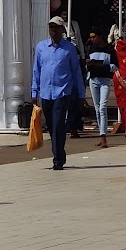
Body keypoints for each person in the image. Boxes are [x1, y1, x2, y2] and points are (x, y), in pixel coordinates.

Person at [31, 16, 84, 170]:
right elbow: (37, 71)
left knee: (59, 124)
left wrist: (81, 94)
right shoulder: (41, 47)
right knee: (51, 125)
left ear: (62, 30)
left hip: (62, 92)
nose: (53, 31)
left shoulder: (69, 49)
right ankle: (59, 152)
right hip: (46, 93)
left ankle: (57, 158)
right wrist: (34, 92)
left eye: (56, 28)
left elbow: (76, 73)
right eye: (51, 27)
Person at [84, 30, 116, 145]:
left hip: (105, 80)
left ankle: (104, 136)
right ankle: (101, 133)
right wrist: (89, 64)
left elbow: (115, 66)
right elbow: (86, 65)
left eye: (94, 36)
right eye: (90, 37)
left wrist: (102, 65)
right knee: (97, 108)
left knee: (103, 106)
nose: (92, 39)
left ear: (100, 36)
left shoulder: (110, 49)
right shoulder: (90, 49)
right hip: (93, 80)